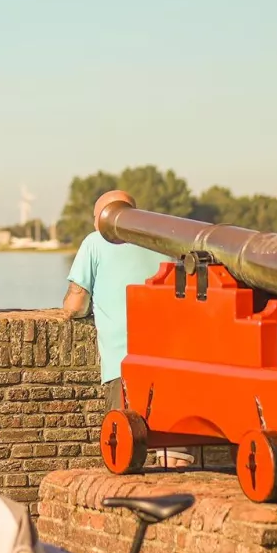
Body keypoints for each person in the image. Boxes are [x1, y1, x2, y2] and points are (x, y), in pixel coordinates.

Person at [62, 189, 185, 465]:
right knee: (175, 451)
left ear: (102, 220)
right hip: (169, 359)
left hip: (123, 359)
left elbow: (75, 305)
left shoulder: (94, 243)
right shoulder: (163, 242)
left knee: (123, 449)